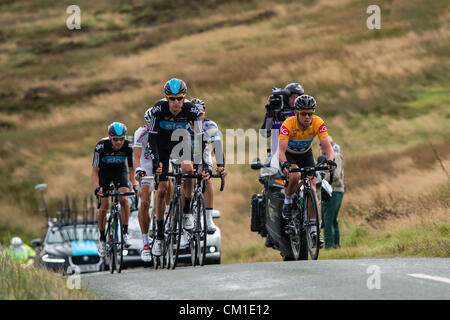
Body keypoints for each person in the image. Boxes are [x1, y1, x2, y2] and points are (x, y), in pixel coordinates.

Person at [144, 78, 209, 257]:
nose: (175, 103)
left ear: (184, 98)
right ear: (166, 99)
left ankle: (187, 210)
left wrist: (201, 164)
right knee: (162, 188)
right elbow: (152, 139)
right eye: (171, 99)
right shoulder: (158, 109)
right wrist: (157, 162)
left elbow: (201, 139)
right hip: (162, 146)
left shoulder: (192, 111)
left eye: (179, 98)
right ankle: (158, 236)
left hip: (182, 142)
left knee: (188, 169)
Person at [278, 94, 335, 244]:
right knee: (295, 177)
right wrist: (284, 164)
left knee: (312, 188)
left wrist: (330, 161)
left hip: (306, 155)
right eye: (304, 113)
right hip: (290, 156)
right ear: (297, 112)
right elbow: (281, 151)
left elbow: (327, 146)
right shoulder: (288, 124)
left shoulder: (318, 122)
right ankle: (288, 201)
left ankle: (314, 230)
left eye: (310, 113)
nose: (307, 117)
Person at [91, 122, 137, 257]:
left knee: (124, 200)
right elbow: (94, 171)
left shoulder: (129, 146)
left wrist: (135, 184)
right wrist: (97, 188)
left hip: (119, 172)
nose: (119, 142)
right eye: (116, 139)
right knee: (104, 206)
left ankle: (125, 231)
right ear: (110, 138)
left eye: (122, 138)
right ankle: (102, 239)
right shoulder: (101, 146)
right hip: (103, 174)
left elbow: (132, 169)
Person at [188, 98, 227, 234]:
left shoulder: (210, 126)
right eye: (196, 114)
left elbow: (217, 146)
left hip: (202, 151)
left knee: (207, 178)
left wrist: (221, 166)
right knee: (186, 174)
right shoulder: (183, 125)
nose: (199, 117)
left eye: (201, 114)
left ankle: (208, 219)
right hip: (184, 152)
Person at [261, 83, 305, 154]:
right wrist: (269, 114)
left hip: (297, 153)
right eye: (292, 97)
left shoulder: (302, 114)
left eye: (297, 97)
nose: (295, 100)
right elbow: (265, 134)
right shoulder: (276, 112)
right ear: (286, 98)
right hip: (276, 153)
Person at [133, 121, 154, 262]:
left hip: (162, 164)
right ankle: (145, 243)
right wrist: (138, 170)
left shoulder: (165, 129)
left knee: (164, 190)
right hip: (146, 167)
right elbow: (136, 157)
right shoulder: (141, 132)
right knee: (145, 202)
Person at [321, 136, 345, 249]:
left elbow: (335, 175)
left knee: (327, 220)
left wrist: (320, 178)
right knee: (333, 220)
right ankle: (336, 245)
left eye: (324, 144)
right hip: (336, 190)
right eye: (321, 144)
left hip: (333, 190)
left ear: (330, 144)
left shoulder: (335, 156)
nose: (322, 147)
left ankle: (329, 246)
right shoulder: (327, 157)